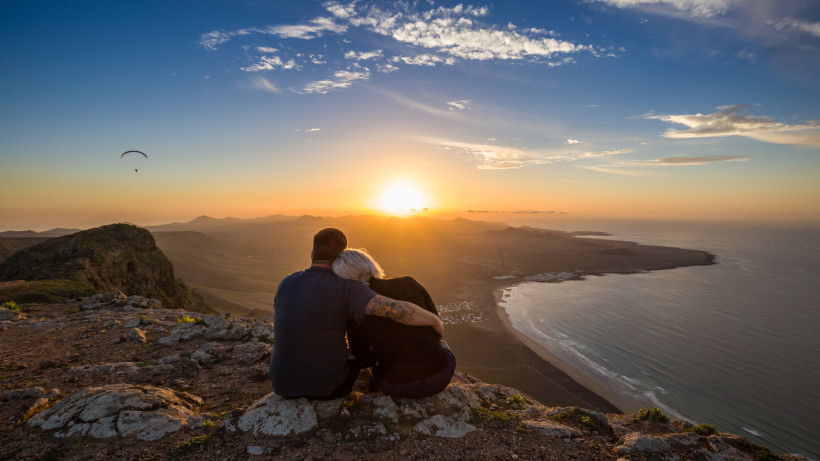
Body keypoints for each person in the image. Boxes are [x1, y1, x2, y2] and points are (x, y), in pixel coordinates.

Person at [269, 228, 444, 400]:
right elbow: (396, 310)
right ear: (340, 257)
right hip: (328, 388)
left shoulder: (286, 282)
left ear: (312, 253)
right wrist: (435, 321)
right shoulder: (347, 286)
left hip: (282, 385)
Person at [332, 248, 456, 398]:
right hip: (441, 376)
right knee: (443, 346)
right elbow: (435, 327)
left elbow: (364, 359)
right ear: (369, 264)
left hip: (397, 387)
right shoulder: (408, 283)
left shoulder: (355, 313)